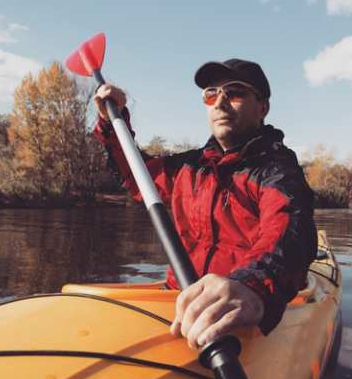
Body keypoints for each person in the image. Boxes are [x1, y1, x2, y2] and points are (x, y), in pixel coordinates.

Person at [93, 59, 317, 349]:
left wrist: (253, 285)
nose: (219, 103)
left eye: (235, 93)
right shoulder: (188, 166)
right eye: (211, 94)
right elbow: (138, 176)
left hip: (241, 305)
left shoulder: (278, 171)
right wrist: (114, 121)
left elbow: (289, 230)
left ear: (262, 107)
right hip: (179, 300)